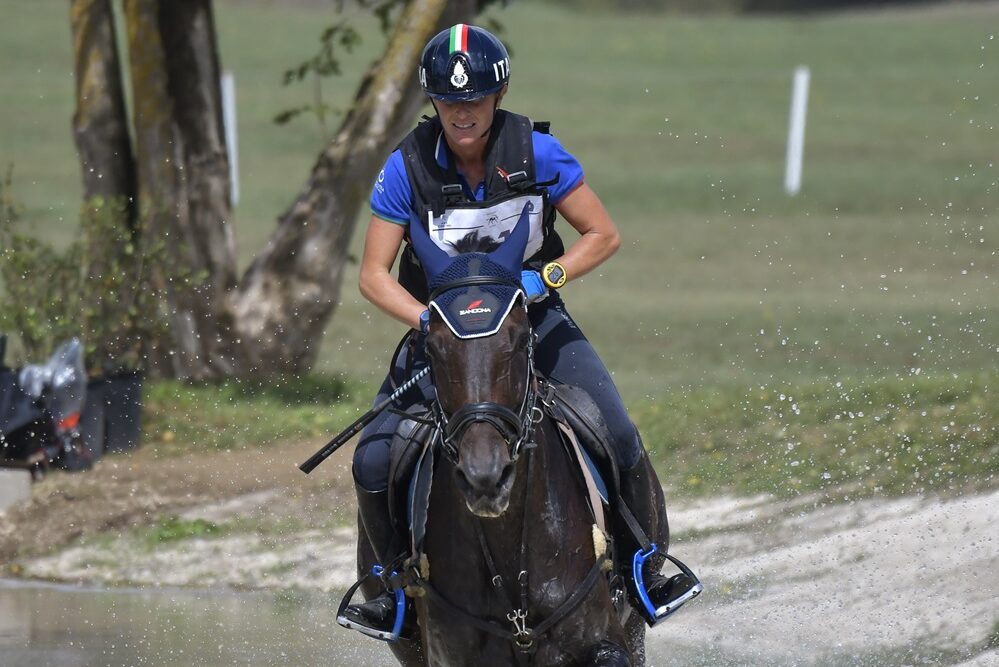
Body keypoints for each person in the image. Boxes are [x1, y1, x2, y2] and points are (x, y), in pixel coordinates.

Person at [341, 24, 697, 637]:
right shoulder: (404, 167)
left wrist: (542, 281)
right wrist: (428, 320)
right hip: (445, 335)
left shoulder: (537, 152)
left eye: (474, 100)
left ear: (496, 97)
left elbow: (603, 236)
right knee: (374, 460)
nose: (462, 113)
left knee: (613, 428)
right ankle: (389, 597)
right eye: (450, 102)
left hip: (531, 320)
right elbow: (373, 276)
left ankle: (645, 568)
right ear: (432, 102)